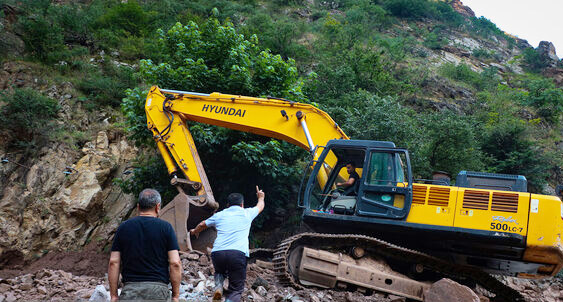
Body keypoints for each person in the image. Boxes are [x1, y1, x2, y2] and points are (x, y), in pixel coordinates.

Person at [189, 186, 265, 302]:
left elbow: (203, 224)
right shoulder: (247, 213)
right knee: (236, 289)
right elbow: (260, 206)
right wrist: (261, 197)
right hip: (237, 254)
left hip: (218, 252)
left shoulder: (220, 215)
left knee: (220, 272)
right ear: (242, 205)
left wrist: (195, 231)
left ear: (228, 205)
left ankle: (218, 288)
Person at [108, 189, 183, 302]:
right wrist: (176, 296)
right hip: (158, 292)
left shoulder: (123, 227)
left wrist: (114, 295)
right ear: (158, 207)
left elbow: (113, 262)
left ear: (138, 207)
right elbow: (175, 263)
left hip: (130, 292)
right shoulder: (166, 228)